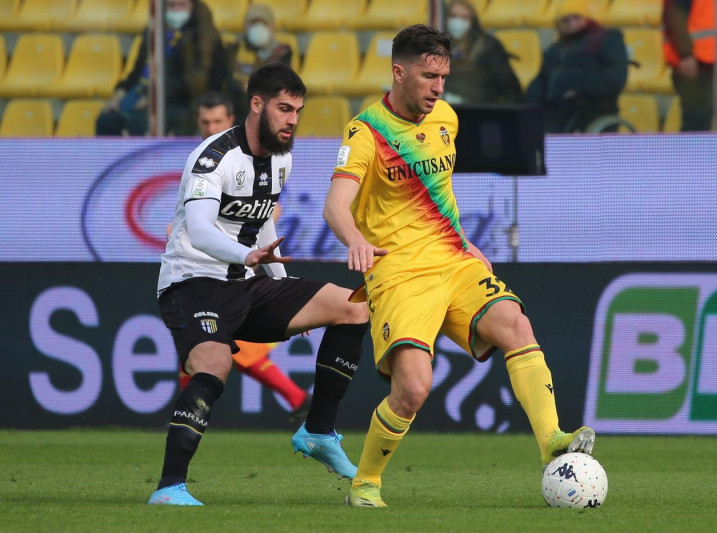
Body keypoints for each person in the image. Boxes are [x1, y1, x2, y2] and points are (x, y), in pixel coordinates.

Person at [323, 24, 595, 509]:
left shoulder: (447, 117)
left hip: (453, 260)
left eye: (444, 76)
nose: (438, 88)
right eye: (429, 76)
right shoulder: (365, 133)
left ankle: (552, 439)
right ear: (398, 71)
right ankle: (365, 482)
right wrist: (356, 239)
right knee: (412, 389)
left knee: (515, 323)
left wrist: (466, 244)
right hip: (399, 271)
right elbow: (335, 207)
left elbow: (437, 195)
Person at [148, 63, 369, 506]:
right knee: (214, 365)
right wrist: (246, 256)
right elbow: (200, 228)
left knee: (354, 306)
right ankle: (169, 487)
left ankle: (319, 431)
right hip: (192, 284)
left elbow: (262, 220)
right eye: (284, 109)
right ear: (256, 104)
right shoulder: (214, 157)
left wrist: (281, 283)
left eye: (298, 111)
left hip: (246, 285)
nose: (292, 120)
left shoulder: (281, 158)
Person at [175, 90, 307, 421]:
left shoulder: (250, 158)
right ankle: (184, 415)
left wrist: (237, 236)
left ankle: (297, 398)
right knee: (199, 350)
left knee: (219, 350)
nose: (210, 127)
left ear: (231, 120)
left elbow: (267, 214)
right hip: (199, 272)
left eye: (217, 120)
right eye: (205, 121)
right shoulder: (201, 159)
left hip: (235, 272)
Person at [96, 0, 228, 136]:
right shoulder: (154, 31)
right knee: (107, 119)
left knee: (139, 120)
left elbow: (195, 82)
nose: (176, 10)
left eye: (181, 5)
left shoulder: (201, 35)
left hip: (178, 99)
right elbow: (137, 71)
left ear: (192, 7)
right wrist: (119, 94)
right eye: (172, 5)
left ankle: (149, 158)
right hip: (142, 92)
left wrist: (153, 96)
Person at [525, 0, 627, 133]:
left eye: (577, 17)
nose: (572, 23)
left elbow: (614, 77)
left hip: (591, 113)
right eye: (566, 20)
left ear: (587, 18)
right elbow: (542, 79)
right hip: (555, 115)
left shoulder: (607, 39)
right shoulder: (555, 49)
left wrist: (579, 92)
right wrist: (529, 101)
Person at [662, 0, 717, 131]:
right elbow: (674, 16)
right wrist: (685, 54)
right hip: (697, 63)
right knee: (697, 120)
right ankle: (692, 152)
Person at [441, 0, 521, 104]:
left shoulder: (489, 46)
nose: (458, 22)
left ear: (472, 21)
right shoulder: (435, 45)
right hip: (442, 108)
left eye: (465, 17)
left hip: (480, 109)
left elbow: (509, 85)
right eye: (453, 16)